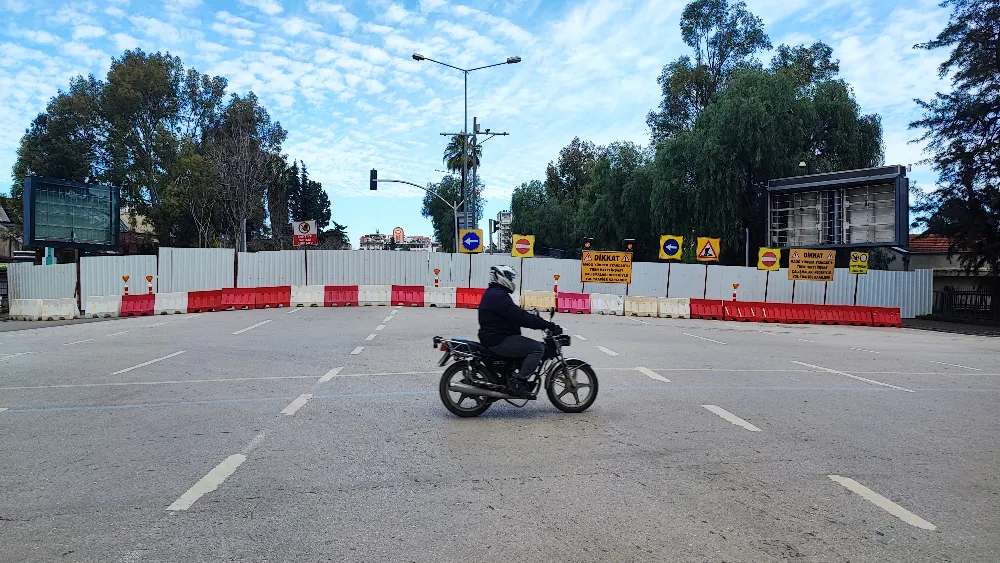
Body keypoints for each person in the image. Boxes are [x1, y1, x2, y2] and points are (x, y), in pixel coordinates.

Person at [478, 265, 561, 397]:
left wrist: (533, 318)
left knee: (524, 346)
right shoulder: (499, 296)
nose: (512, 281)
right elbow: (519, 317)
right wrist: (547, 325)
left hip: (495, 337)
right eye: (510, 278)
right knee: (538, 348)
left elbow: (514, 313)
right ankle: (519, 381)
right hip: (499, 339)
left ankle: (512, 377)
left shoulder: (495, 293)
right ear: (501, 277)